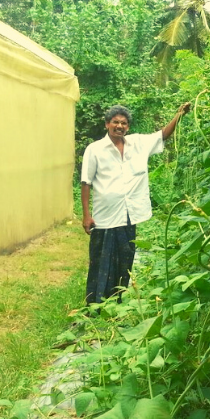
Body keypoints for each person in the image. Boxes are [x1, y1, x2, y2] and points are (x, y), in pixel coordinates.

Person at [80, 102, 192, 304]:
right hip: (105, 215)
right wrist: (86, 215)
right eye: (115, 122)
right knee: (101, 259)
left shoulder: (138, 144)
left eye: (123, 123)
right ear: (107, 124)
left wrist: (179, 114)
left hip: (129, 215)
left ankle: (117, 302)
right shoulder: (94, 150)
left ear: (128, 127)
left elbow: (163, 135)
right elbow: (86, 182)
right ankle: (95, 303)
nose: (119, 126)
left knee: (125, 259)